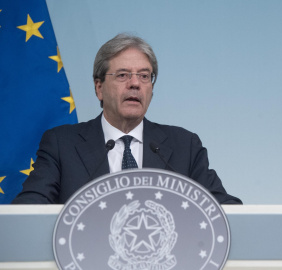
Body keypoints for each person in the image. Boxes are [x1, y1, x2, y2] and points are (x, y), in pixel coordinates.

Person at [12, 33, 241, 204]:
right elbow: (29, 211)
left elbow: (226, 211)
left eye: (144, 76)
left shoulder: (185, 146)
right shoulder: (62, 144)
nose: (135, 83)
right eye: (122, 75)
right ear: (99, 88)